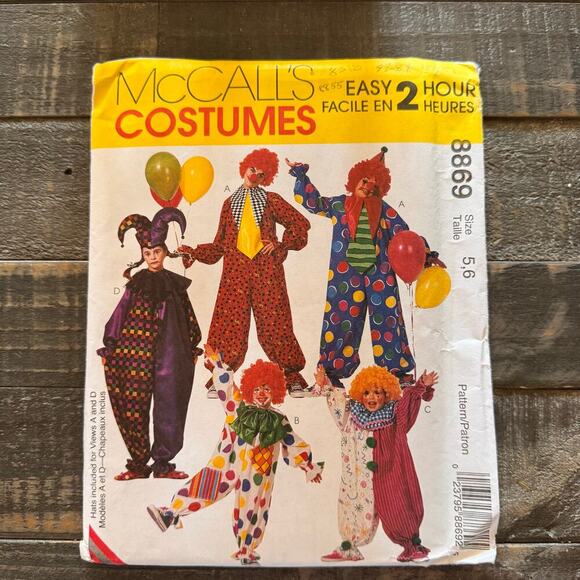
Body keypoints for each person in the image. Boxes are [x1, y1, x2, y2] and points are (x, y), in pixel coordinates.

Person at [147, 345, 323, 566]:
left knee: (254, 507)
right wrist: (218, 364)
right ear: (250, 389)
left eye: (267, 389)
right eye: (257, 389)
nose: (261, 393)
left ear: (275, 391)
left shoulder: (279, 420)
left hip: (258, 472)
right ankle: (171, 513)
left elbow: (293, 443)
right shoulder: (238, 408)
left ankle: (246, 550)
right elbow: (228, 388)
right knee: (204, 486)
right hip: (227, 464)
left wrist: (308, 466)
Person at [287, 149, 445, 388]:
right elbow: (314, 203)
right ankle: (330, 373)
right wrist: (301, 176)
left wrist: (426, 253)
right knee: (339, 320)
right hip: (344, 276)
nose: (368, 187)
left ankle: (396, 372)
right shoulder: (340, 205)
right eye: (364, 181)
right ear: (354, 180)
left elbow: (404, 235)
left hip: (379, 273)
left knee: (388, 319)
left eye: (374, 185)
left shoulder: (385, 211)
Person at [179, 148, 312, 398]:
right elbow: (219, 245)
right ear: (244, 168)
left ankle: (292, 376)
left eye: (261, 174)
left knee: (276, 322)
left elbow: (300, 223)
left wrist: (281, 245)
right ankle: (221, 377)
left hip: (267, 269)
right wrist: (194, 252)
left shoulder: (271, 200)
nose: (254, 176)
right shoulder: (229, 204)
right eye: (252, 170)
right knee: (228, 323)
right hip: (235, 271)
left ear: (266, 178)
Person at [98, 208, 202, 481]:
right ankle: (138, 464)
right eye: (147, 253)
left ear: (165, 252)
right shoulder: (136, 285)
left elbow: (187, 314)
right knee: (133, 403)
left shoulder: (175, 285)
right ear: (142, 255)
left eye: (157, 252)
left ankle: (163, 464)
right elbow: (120, 314)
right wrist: (110, 345)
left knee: (171, 404)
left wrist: (193, 345)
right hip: (135, 351)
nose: (153, 257)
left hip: (171, 352)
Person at [314, 364, 437, 562]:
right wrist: (325, 384)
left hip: (390, 469)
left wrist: (421, 385)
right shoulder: (352, 414)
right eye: (366, 392)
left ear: (386, 394)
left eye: (377, 392)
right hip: (359, 473)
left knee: (398, 502)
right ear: (360, 395)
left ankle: (411, 546)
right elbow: (337, 402)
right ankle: (348, 547)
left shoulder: (394, 414)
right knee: (353, 503)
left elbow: (408, 404)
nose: (371, 397)